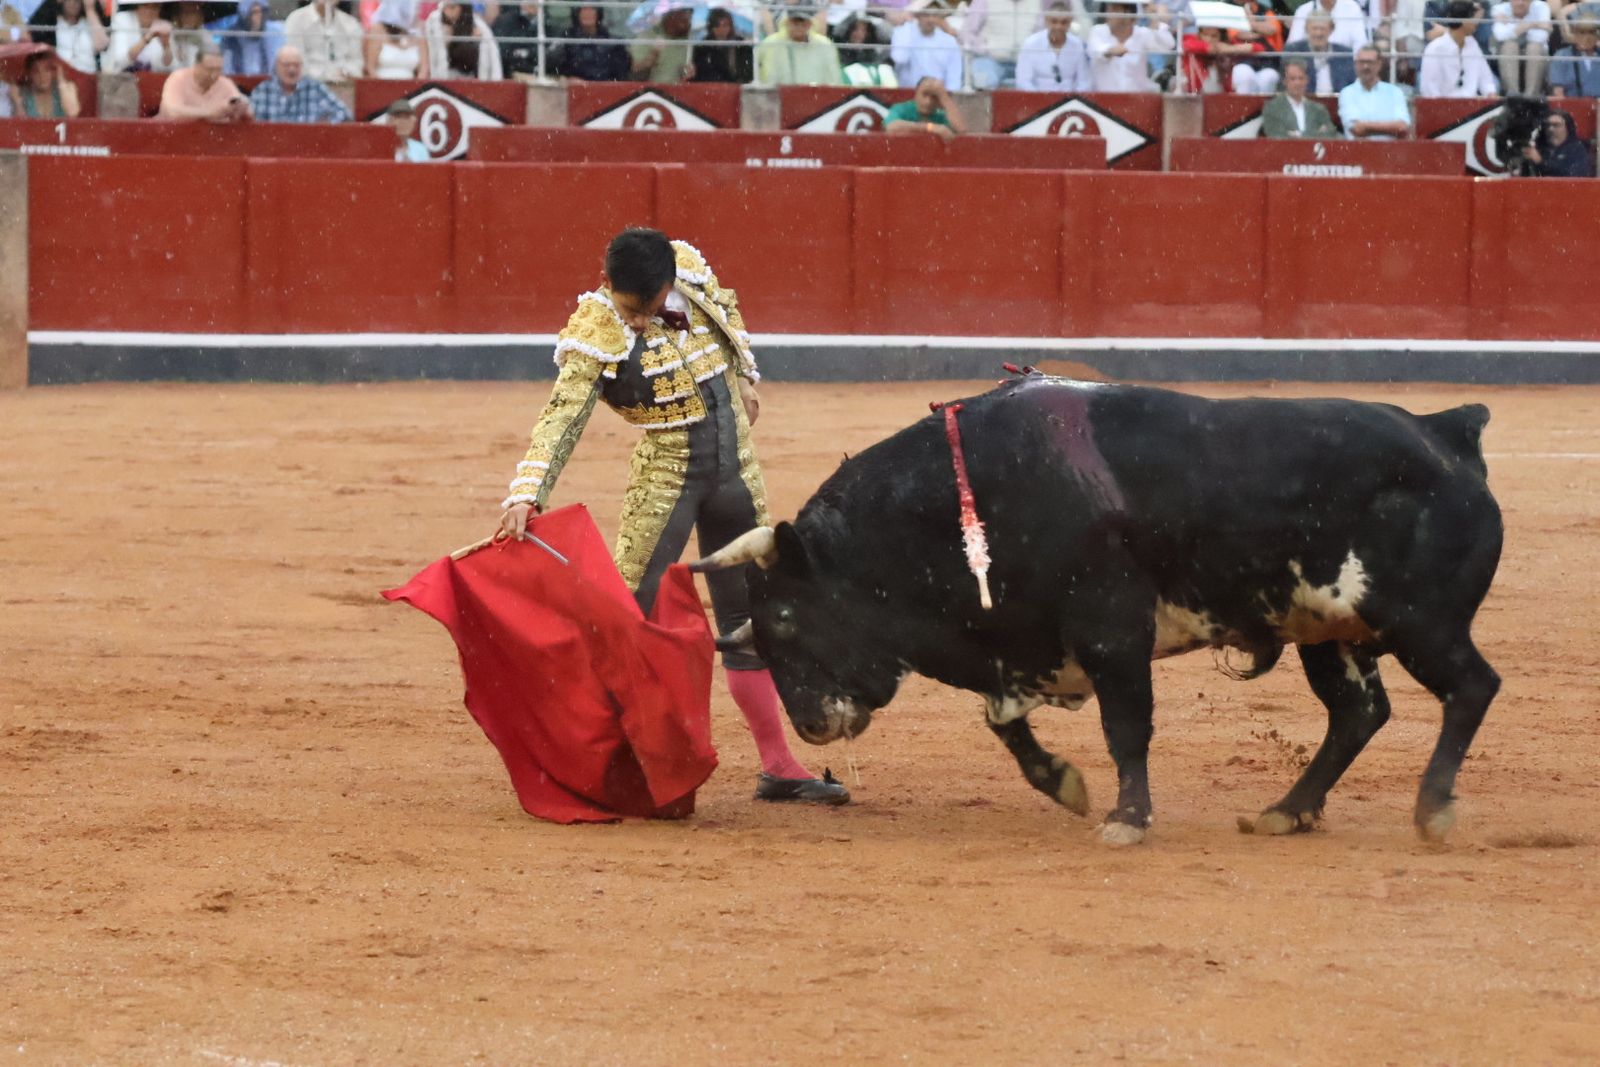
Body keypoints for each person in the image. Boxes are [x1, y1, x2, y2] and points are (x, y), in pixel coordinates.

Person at [498, 229, 851, 807]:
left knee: (752, 622)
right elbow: (563, 413)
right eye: (628, 308)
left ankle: (779, 766)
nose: (636, 322)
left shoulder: (690, 271)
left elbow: (727, 310)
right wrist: (527, 492)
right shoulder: (595, 327)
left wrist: (743, 373)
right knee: (623, 619)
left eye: (648, 307)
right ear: (607, 282)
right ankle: (591, 763)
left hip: (738, 472)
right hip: (667, 480)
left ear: (668, 284)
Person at [1087, 0, 1174, 92]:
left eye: (1115, 9)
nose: (1109, 13)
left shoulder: (1142, 33)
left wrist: (1155, 19)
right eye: (1109, 8)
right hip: (1103, 99)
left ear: (1130, 15)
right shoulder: (1097, 31)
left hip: (1136, 100)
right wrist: (1111, 51)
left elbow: (1168, 45)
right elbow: (1096, 50)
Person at [249, 43, 350, 121]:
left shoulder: (315, 88)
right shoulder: (263, 90)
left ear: (302, 67)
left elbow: (344, 114)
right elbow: (249, 121)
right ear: (276, 67)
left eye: (296, 65)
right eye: (286, 65)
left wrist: (322, 130)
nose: (292, 70)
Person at [158, 38, 252, 120]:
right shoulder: (178, 78)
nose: (214, 75)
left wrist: (242, 110)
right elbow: (172, 111)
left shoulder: (225, 83)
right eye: (209, 69)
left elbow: (248, 113)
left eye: (218, 70)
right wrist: (208, 113)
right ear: (196, 66)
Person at [961, 0, 1044, 89]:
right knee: (985, 82)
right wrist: (985, 48)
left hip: (1025, 64)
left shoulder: (1036, 3)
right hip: (990, 60)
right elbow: (966, 33)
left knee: (1039, 85)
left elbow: (1041, 36)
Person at [1420, 0, 1498, 94]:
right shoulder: (1434, 49)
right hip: (1443, 106)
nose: (1476, 21)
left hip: (1472, 106)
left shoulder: (1473, 45)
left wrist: (1490, 93)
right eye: (1473, 17)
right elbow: (1430, 90)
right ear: (1464, 20)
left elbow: (1486, 79)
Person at [755, 6, 843, 84]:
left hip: (816, 98)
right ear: (787, 22)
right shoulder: (771, 43)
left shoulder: (824, 45)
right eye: (795, 23)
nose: (799, 27)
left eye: (803, 23)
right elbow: (755, 70)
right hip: (775, 97)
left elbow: (833, 78)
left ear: (810, 24)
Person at [1014, 1, 1091, 91]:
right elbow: (1023, 81)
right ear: (1046, 21)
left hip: (1070, 100)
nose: (1058, 26)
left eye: (1064, 22)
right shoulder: (1031, 44)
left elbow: (1084, 82)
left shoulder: (1077, 45)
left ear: (1070, 23)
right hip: (1037, 99)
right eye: (1054, 21)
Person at [1338, 42, 1411, 137]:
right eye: (1361, 62)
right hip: (1357, 150)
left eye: (1369, 62)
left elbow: (1402, 126)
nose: (1365, 67)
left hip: (1389, 150)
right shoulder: (1346, 93)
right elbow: (1356, 128)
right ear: (1355, 65)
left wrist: (1366, 127)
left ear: (1379, 64)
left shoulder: (1395, 92)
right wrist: (1390, 127)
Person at [282, 0, 363, 81]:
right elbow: (295, 61)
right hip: (307, 84)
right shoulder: (296, 20)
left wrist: (345, 72)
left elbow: (357, 62)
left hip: (342, 85)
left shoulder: (351, 24)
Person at [1181, 22, 1272, 93]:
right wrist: (1208, 48)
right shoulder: (1191, 39)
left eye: (1214, 36)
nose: (1209, 39)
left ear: (1221, 36)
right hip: (1196, 91)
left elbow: (1259, 48)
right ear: (1199, 34)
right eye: (1205, 35)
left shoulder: (1227, 44)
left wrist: (1230, 49)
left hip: (1222, 92)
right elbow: (1186, 45)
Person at [889, 3, 962, 90]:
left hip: (938, 96)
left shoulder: (949, 41)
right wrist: (909, 22)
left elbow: (954, 77)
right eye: (926, 15)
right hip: (907, 93)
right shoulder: (903, 33)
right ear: (917, 15)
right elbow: (900, 58)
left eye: (935, 15)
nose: (930, 19)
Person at [550, 3, 630, 81]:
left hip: (606, 89)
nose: (587, 13)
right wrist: (567, 79)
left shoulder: (612, 42)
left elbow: (620, 73)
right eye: (584, 9)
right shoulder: (567, 39)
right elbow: (552, 65)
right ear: (577, 13)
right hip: (574, 88)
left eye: (592, 9)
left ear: (598, 13)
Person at [29, 0, 109, 75]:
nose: (73, 3)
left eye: (77, 1)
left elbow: (102, 45)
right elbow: (34, 31)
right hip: (61, 77)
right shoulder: (53, 21)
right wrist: (53, 1)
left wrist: (89, 9)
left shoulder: (90, 22)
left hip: (88, 75)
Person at [1283, 10, 1356, 93]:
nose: (1318, 33)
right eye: (1315, 28)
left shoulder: (1344, 54)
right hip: (1306, 101)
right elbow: (1285, 84)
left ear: (1331, 30)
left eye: (1322, 29)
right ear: (1306, 29)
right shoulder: (1293, 51)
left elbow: (1352, 85)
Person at [425, 0, 501, 78]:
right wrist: (446, 41)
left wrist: (470, 40)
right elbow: (433, 55)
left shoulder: (477, 26)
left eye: (452, 8)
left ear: (462, 8)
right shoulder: (436, 23)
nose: (447, 12)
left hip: (469, 77)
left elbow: (491, 57)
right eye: (445, 8)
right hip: (446, 75)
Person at [1261, 60, 1339, 136]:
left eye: (1301, 78)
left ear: (1307, 80)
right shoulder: (1272, 107)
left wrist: (1297, 134)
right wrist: (1316, 133)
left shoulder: (1318, 109)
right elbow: (1276, 135)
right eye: (1293, 79)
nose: (1297, 83)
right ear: (1285, 81)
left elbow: (1330, 133)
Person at [1491, 0, 1551, 94]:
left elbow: (1540, 38)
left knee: (1534, 48)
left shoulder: (1541, 7)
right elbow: (1500, 35)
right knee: (1509, 46)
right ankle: (1512, 95)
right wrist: (1531, 24)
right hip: (1508, 53)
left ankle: (1531, 96)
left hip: (1536, 52)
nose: (1520, 3)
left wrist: (1513, 26)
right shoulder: (1499, 9)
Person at [883, 73, 967, 136]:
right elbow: (892, 127)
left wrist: (944, 96)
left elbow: (962, 130)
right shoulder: (902, 109)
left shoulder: (940, 115)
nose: (928, 101)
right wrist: (930, 127)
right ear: (916, 94)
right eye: (924, 95)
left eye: (934, 97)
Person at [105, 0, 176, 72]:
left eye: (155, 7)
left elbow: (168, 67)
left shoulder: (164, 26)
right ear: (137, 6)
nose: (149, 11)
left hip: (152, 79)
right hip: (122, 79)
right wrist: (147, 39)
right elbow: (121, 61)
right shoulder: (122, 19)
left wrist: (166, 46)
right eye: (145, 5)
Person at [631, 3, 694, 82]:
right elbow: (635, 75)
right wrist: (653, 56)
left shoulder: (690, 41)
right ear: (672, 15)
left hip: (679, 92)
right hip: (649, 92)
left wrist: (689, 74)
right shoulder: (647, 37)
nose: (689, 23)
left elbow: (689, 75)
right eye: (684, 19)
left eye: (690, 17)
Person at [366, 0, 427, 78]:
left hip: (412, 87)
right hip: (382, 85)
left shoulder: (419, 30)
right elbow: (371, 68)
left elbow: (424, 70)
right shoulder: (378, 30)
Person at [1523, 108, 1595, 175]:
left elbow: (1573, 175)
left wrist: (1541, 162)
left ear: (1567, 128)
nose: (1550, 129)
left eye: (1556, 125)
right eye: (1548, 125)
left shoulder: (1577, 149)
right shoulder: (1539, 148)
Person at [9, 51, 82, 117]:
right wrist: (17, 102)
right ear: (30, 74)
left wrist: (60, 78)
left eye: (47, 70)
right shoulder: (24, 93)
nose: (42, 76)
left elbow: (72, 113)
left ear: (53, 71)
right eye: (36, 71)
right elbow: (21, 126)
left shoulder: (65, 89)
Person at [222, 0, 285, 76]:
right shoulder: (231, 36)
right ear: (244, 15)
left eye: (261, 12)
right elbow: (226, 68)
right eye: (254, 12)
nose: (259, 17)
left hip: (270, 83)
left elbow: (284, 62)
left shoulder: (276, 31)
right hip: (239, 82)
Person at [691, 6, 754, 81]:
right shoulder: (702, 47)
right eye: (717, 25)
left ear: (731, 26)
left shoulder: (742, 45)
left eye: (725, 25)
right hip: (711, 87)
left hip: (737, 87)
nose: (721, 29)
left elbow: (748, 71)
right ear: (711, 27)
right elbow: (700, 73)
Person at [834, 14, 896, 84]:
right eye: (855, 29)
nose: (859, 34)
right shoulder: (837, 55)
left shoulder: (877, 58)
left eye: (864, 30)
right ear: (848, 31)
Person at [1285, 0, 1371, 50]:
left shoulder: (1352, 7)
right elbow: (1293, 46)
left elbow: (1360, 44)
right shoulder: (1303, 10)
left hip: (1345, 66)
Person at [1549, 16, 1600, 95]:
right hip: (1572, 105)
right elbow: (1558, 92)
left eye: (1591, 32)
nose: (1587, 37)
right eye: (1582, 32)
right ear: (1575, 34)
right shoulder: (1562, 56)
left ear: (1597, 36)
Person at [492, 0, 543, 77]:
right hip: (510, 76)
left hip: (543, 74)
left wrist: (527, 54)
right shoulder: (505, 22)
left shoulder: (547, 24)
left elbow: (551, 54)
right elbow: (503, 54)